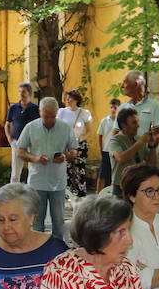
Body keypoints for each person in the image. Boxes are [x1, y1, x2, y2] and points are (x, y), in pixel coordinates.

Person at [15, 97, 79, 240]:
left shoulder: (64, 127)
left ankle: (57, 252)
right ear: (40, 112)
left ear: (57, 113)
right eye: (46, 116)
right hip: (37, 182)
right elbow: (20, 151)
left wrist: (66, 156)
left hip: (58, 182)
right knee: (37, 222)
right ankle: (38, 251)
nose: (49, 119)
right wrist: (35, 158)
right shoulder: (30, 127)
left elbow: (75, 151)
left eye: (52, 116)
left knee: (58, 222)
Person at [60, 89, 94, 198]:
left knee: (80, 168)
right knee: (66, 168)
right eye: (67, 97)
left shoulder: (84, 113)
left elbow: (89, 131)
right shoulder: (62, 112)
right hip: (65, 144)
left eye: (70, 98)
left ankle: (80, 193)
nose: (68, 100)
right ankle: (67, 193)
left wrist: (79, 138)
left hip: (80, 144)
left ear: (76, 100)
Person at [5, 83, 40, 185]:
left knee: (33, 170)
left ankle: (31, 192)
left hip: (32, 143)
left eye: (23, 92)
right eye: (19, 92)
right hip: (17, 142)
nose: (21, 94)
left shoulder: (36, 109)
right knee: (15, 172)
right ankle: (13, 193)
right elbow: (7, 125)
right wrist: (10, 140)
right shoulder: (13, 108)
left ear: (29, 93)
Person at [95, 97, 120, 193]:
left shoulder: (120, 121)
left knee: (115, 174)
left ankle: (113, 194)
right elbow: (100, 135)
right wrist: (101, 149)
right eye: (111, 107)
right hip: (106, 151)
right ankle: (98, 194)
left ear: (119, 108)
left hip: (116, 151)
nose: (113, 110)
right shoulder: (104, 121)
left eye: (115, 108)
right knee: (102, 174)